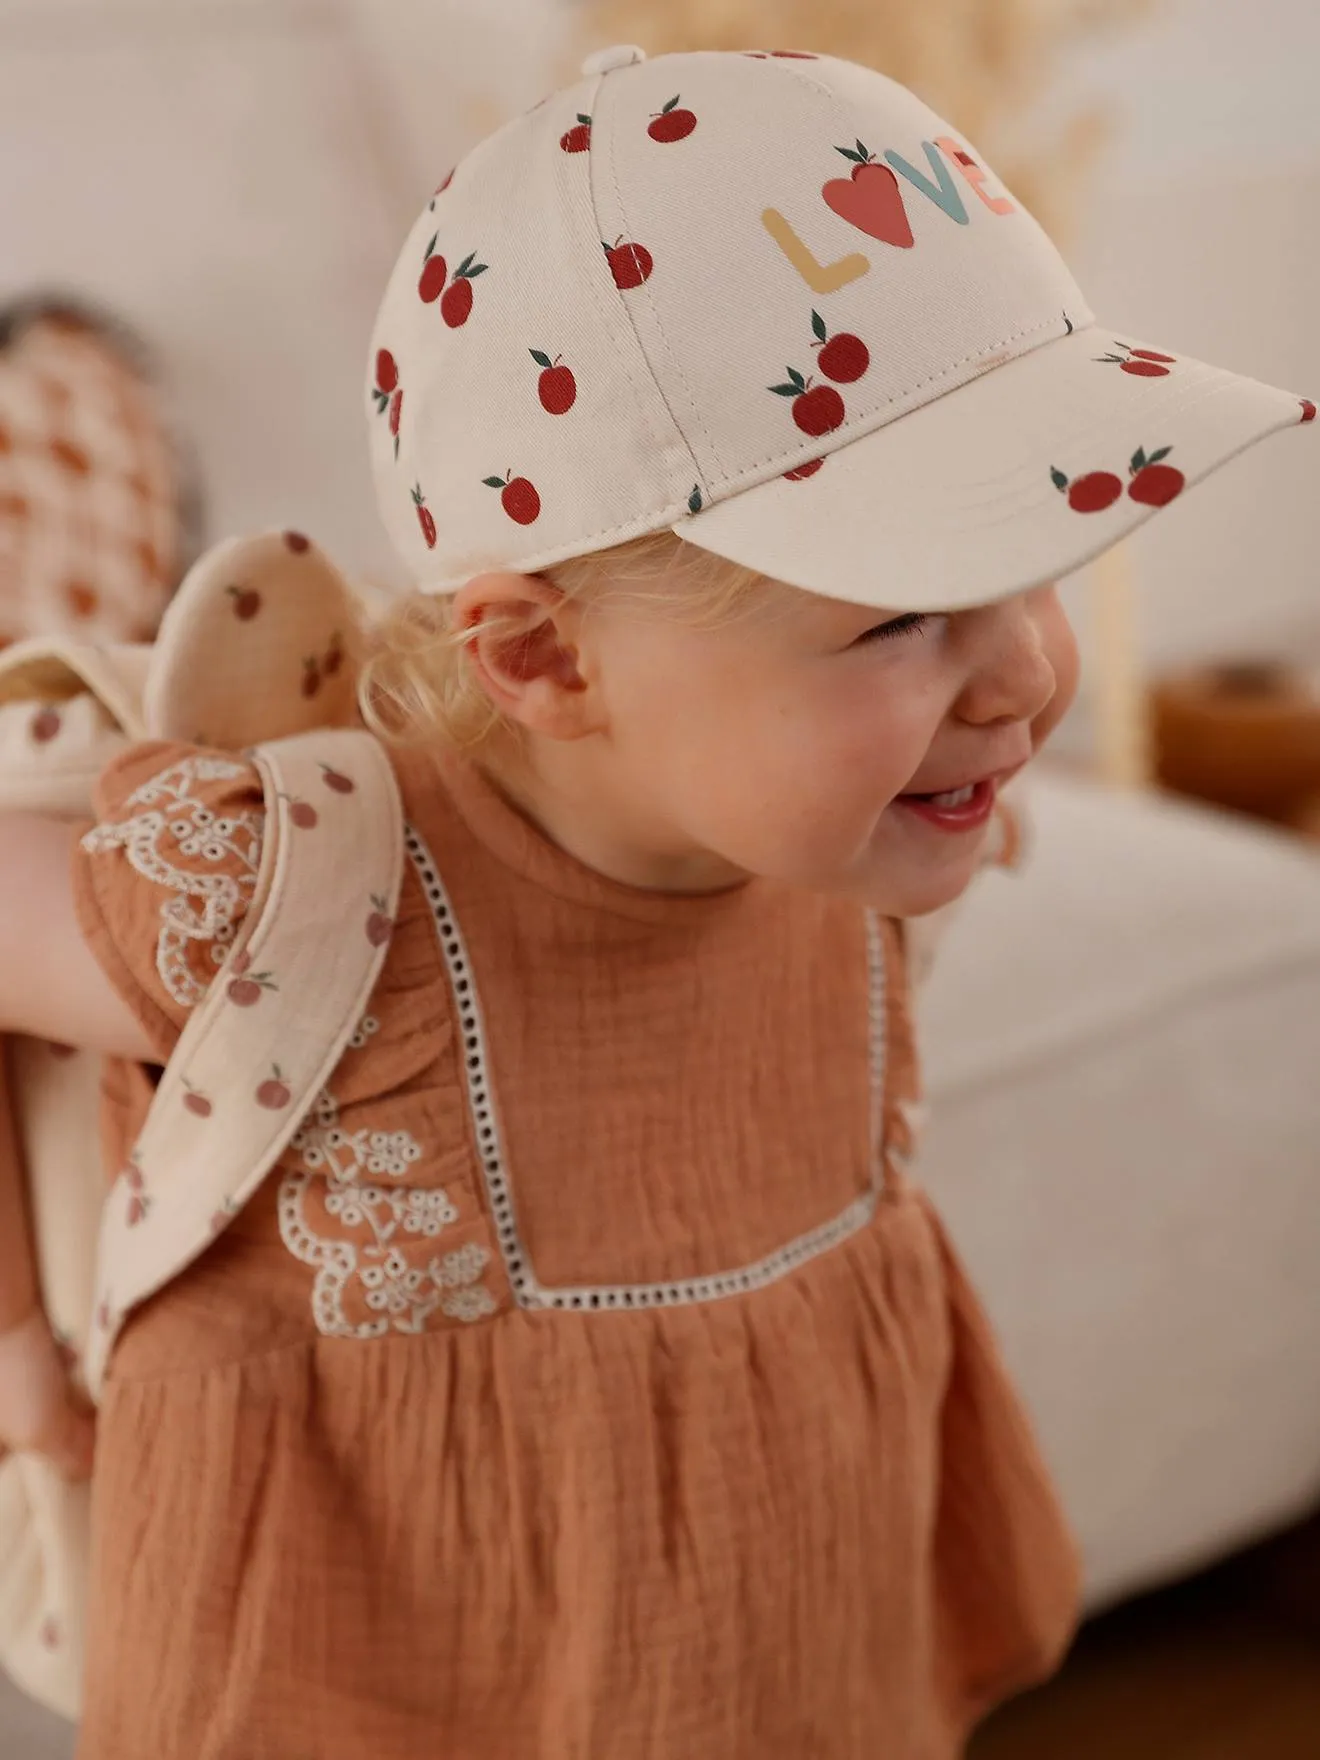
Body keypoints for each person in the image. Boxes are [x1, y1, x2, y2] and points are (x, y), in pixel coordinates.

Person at [0, 42, 1311, 1759]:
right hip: (382, 1676)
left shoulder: (854, 837)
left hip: (785, 1639)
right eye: (899, 616)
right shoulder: (288, 889)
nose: (1022, 680)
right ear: (544, 655)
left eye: (1039, 565)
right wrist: (24, 1346)